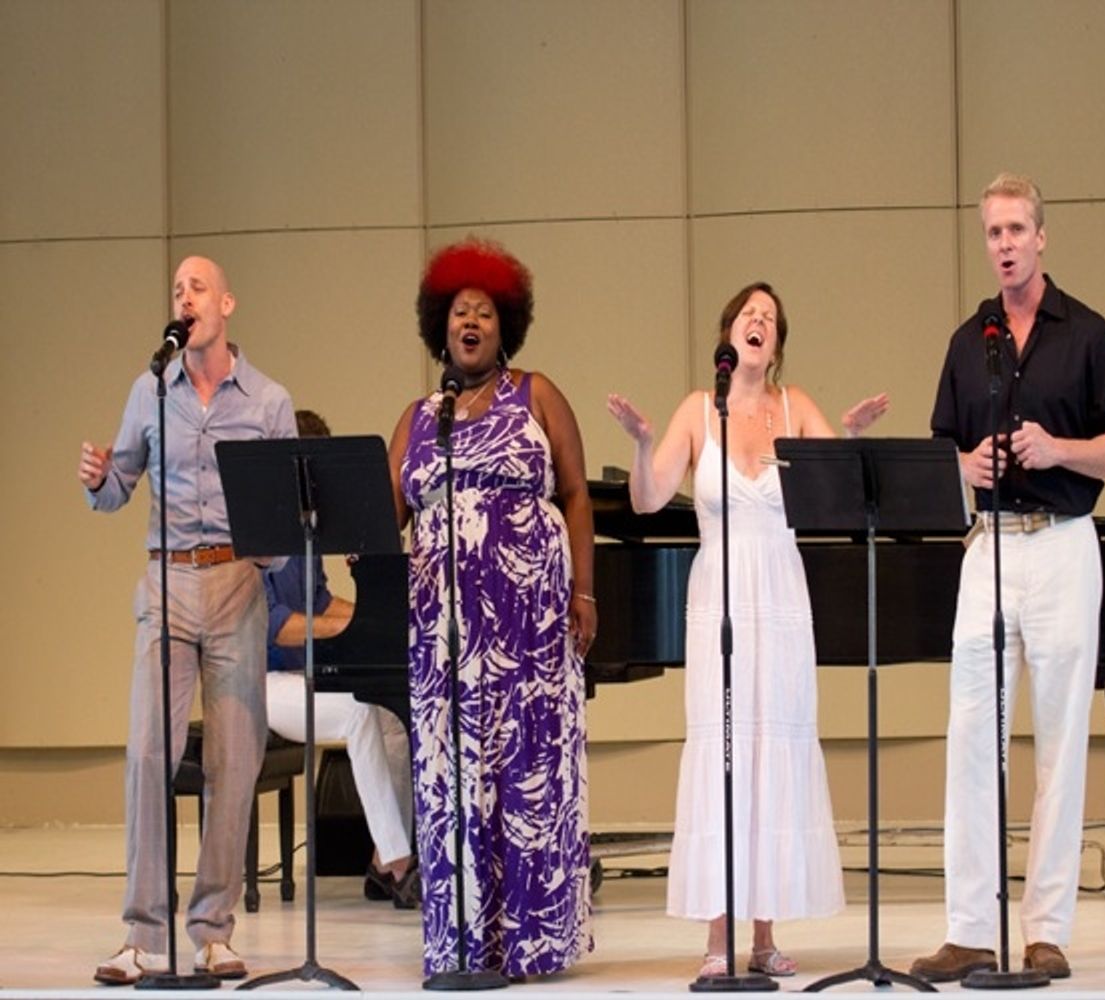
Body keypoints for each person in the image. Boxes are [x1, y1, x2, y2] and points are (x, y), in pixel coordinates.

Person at [607, 282, 888, 979]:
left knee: (772, 752)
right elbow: (646, 499)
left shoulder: (798, 409)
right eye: (747, 315)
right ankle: (715, 939)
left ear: (777, 342)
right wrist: (645, 445)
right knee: (722, 750)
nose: (757, 323)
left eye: (768, 318)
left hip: (782, 597)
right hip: (720, 597)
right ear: (728, 334)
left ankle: (763, 938)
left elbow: (842, 501)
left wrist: (847, 439)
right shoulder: (698, 411)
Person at [910, 173, 1105, 983]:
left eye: (1016, 230)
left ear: (1042, 236)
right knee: (971, 738)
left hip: (1062, 542)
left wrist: (1059, 449)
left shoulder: (1088, 336)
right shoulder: (968, 339)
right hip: (990, 546)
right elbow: (943, 448)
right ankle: (971, 928)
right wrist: (963, 465)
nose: (1004, 244)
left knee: (1058, 744)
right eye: (992, 233)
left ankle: (1045, 929)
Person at [79, 256, 296, 985]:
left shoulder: (267, 401)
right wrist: (99, 477)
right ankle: (140, 934)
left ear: (227, 302)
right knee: (148, 754)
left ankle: (212, 930)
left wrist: (274, 545)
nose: (184, 297)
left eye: (197, 287)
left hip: (236, 578)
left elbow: (290, 508)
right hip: (166, 577)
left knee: (234, 764)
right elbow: (117, 491)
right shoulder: (150, 389)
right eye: (176, 289)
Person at [387, 238, 595, 979]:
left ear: (504, 326)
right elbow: (385, 521)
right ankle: (462, 942)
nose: (469, 320)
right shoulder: (418, 417)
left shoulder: (536, 393)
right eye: (456, 312)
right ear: (439, 330)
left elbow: (574, 494)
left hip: (528, 620)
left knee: (526, 773)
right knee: (452, 779)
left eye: (482, 311)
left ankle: (533, 942)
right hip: (442, 631)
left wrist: (584, 590)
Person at [262, 408, 418, 909]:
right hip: (263, 682)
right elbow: (279, 626)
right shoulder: (257, 533)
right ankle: (399, 863)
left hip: (303, 673)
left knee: (393, 717)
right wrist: (359, 631)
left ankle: (383, 858)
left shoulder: (306, 532)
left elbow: (323, 603)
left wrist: (388, 615)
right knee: (356, 712)